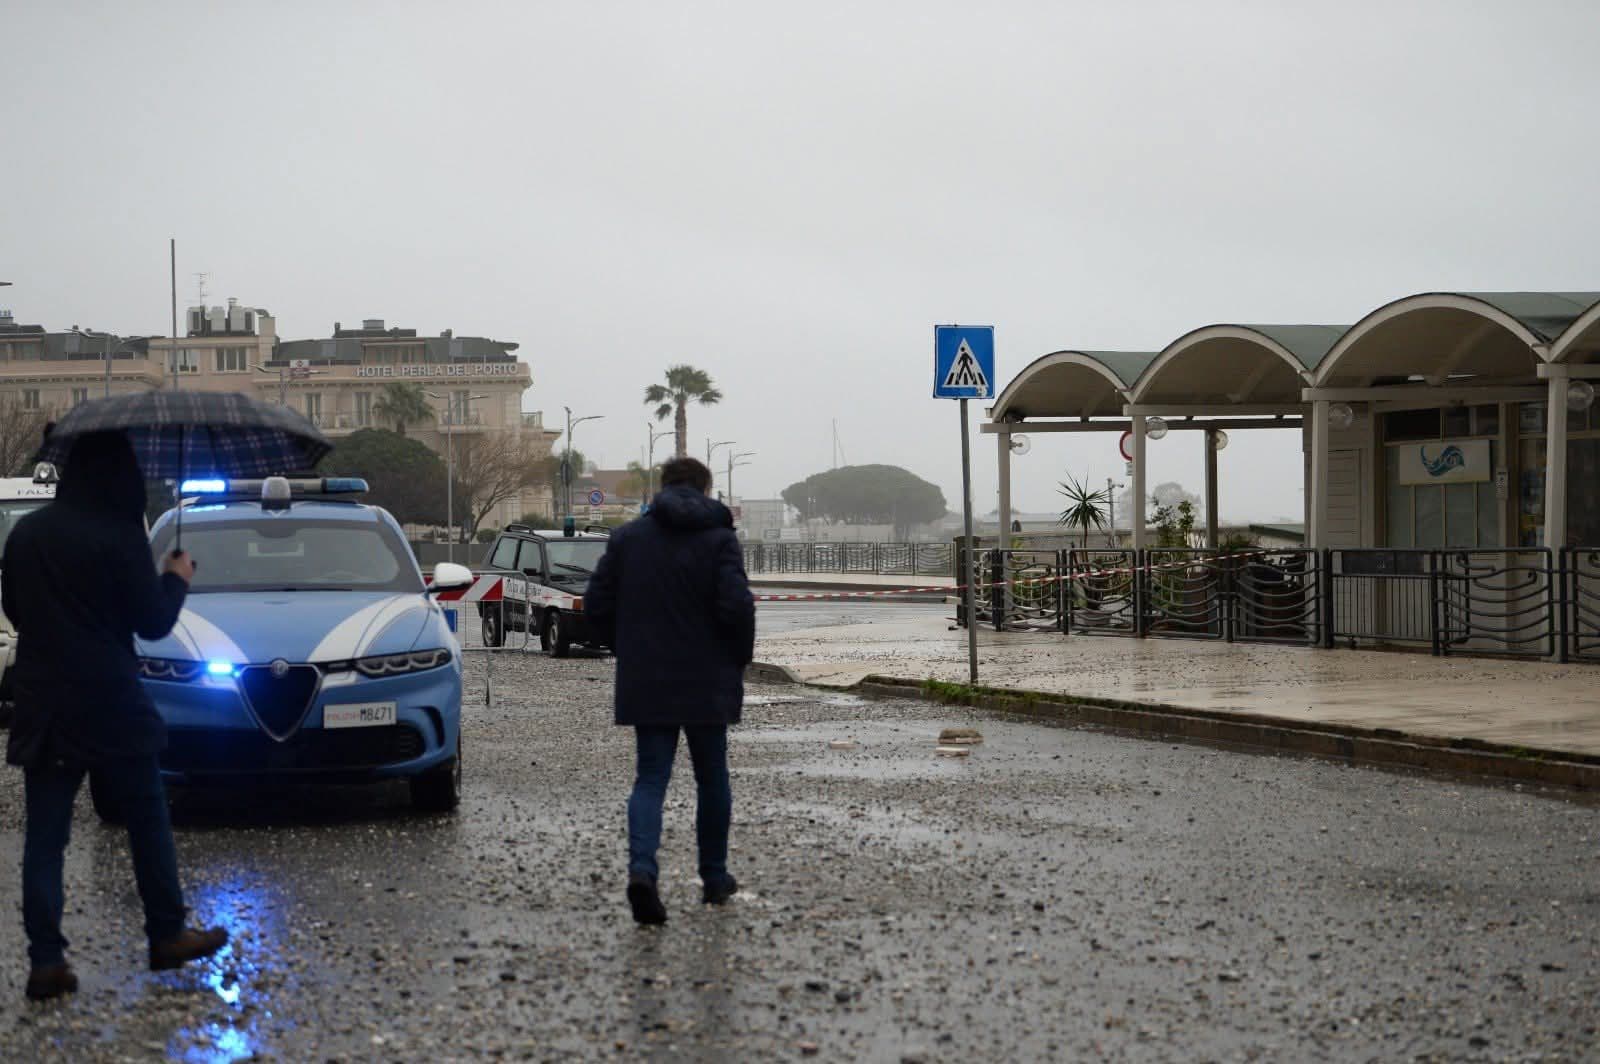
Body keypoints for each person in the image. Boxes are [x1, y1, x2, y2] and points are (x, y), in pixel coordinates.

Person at [2, 431, 227, 1001]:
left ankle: (47, 962)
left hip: (43, 699)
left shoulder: (27, 534)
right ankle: (166, 933)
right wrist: (175, 579)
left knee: (46, 838)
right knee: (148, 819)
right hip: (110, 700)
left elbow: (15, 609)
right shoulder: (120, 534)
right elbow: (151, 622)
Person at [585, 456, 756, 925]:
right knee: (712, 778)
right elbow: (738, 607)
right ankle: (715, 879)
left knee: (650, 778)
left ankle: (643, 871)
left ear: (662, 488)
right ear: (705, 489)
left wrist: (625, 648)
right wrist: (736, 660)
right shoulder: (720, 539)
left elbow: (595, 603)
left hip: (648, 677)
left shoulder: (627, 538)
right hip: (709, 677)